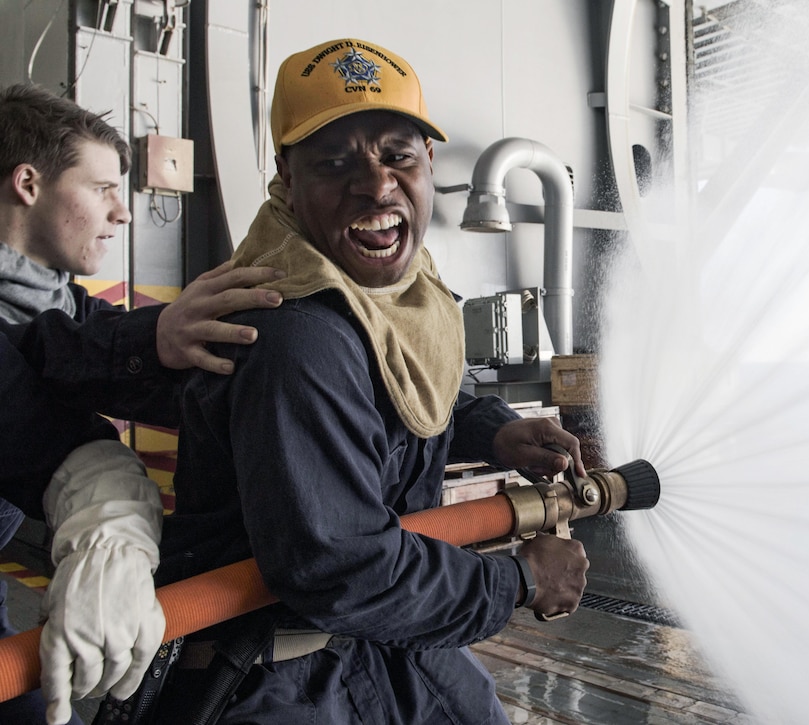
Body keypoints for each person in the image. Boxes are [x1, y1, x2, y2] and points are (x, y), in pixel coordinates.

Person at [153, 38, 590, 724]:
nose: (376, 185)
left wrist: (493, 430)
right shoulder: (294, 335)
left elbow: (401, 399)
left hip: (379, 652)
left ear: (428, 165)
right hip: (286, 674)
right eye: (334, 162)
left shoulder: (395, 295)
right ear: (287, 181)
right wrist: (518, 579)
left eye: (397, 155)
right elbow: (343, 567)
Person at [0, 81, 285, 725]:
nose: (123, 212)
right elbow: (47, 432)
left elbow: (84, 355)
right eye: (102, 188)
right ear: (27, 183)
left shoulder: (59, 308)